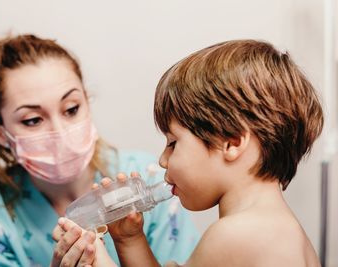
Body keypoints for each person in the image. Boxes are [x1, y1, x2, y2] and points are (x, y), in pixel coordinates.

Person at [53, 39, 324, 266]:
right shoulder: (280, 230)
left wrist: (95, 257)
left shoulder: (237, 235)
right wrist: (129, 239)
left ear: (231, 143)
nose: (162, 159)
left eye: (173, 143)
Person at [0, 34, 199, 266]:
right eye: (33, 120)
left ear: (86, 100)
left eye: (71, 108)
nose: (60, 133)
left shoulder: (151, 177)